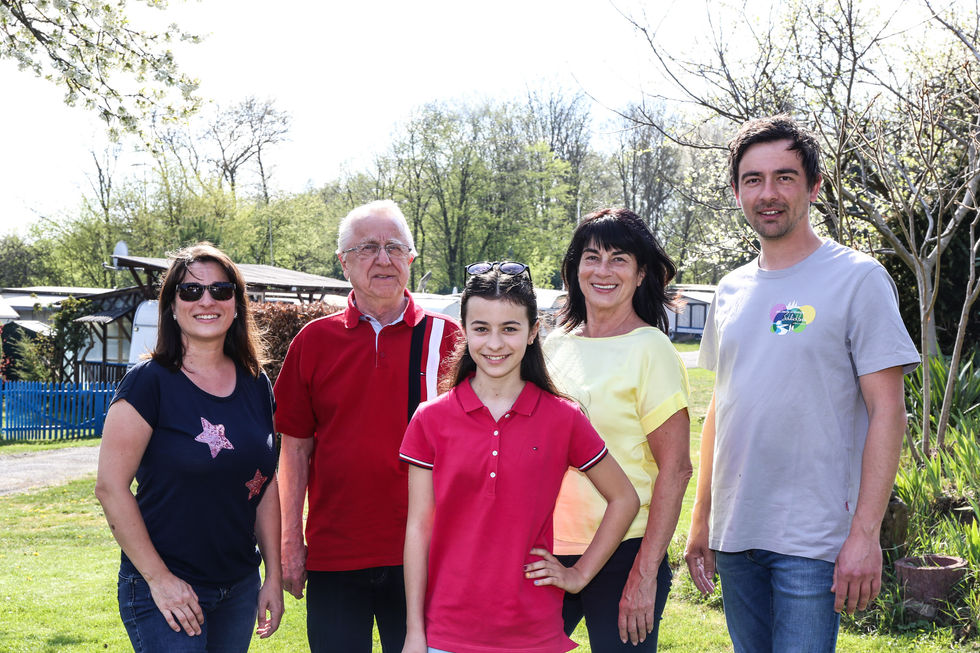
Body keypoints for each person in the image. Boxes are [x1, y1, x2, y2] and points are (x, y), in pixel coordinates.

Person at [684, 115, 920, 652]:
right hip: (737, 533)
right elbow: (722, 406)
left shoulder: (858, 278)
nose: (768, 193)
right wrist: (702, 520)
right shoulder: (730, 289)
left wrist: (865, 535)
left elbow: (888, 411)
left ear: (813, 187)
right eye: (753, 179)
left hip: (812, 540)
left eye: (785, 177)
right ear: (737, 191)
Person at [399, 261, 640, 653]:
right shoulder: (431, 419)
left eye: (509, 328)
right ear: (464, 331)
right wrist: (414, 631)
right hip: (446, 634)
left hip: (534, 635)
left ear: (532, 332)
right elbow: (418, 529)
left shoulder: (563, 418)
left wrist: (578, 574)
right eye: (481, 328)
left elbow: (625, 498)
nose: (495, 343)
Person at [273, 199, 461, 653]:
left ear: (411, 259)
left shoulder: (452, 340)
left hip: (427, 554)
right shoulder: (313, 341)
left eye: (394, 247)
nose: (383, 259)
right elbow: (294, 450)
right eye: (367, 248)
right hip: (336, 554)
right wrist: (289, 541)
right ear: (343, 262)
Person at [95, 242, 283, 652]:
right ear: (171, 305)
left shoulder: (256, 383)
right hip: (165, 588)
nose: (206, 300)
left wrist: (272, 573)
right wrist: (160, 579)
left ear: (236, 303)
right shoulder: (149, 382)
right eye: (191, 290)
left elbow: (264, 484)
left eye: (220, 290)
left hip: (238, 587)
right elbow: (110, 487)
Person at [544, 208, 692, 652]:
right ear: (575, 269)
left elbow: (676, 470)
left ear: (641, 273)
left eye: (619, 259)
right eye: (592, 257)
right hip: (547, 546)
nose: (603, 270)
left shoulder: (651, 349)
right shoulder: (554, 346)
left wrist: (645, 574)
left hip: (625, 549)